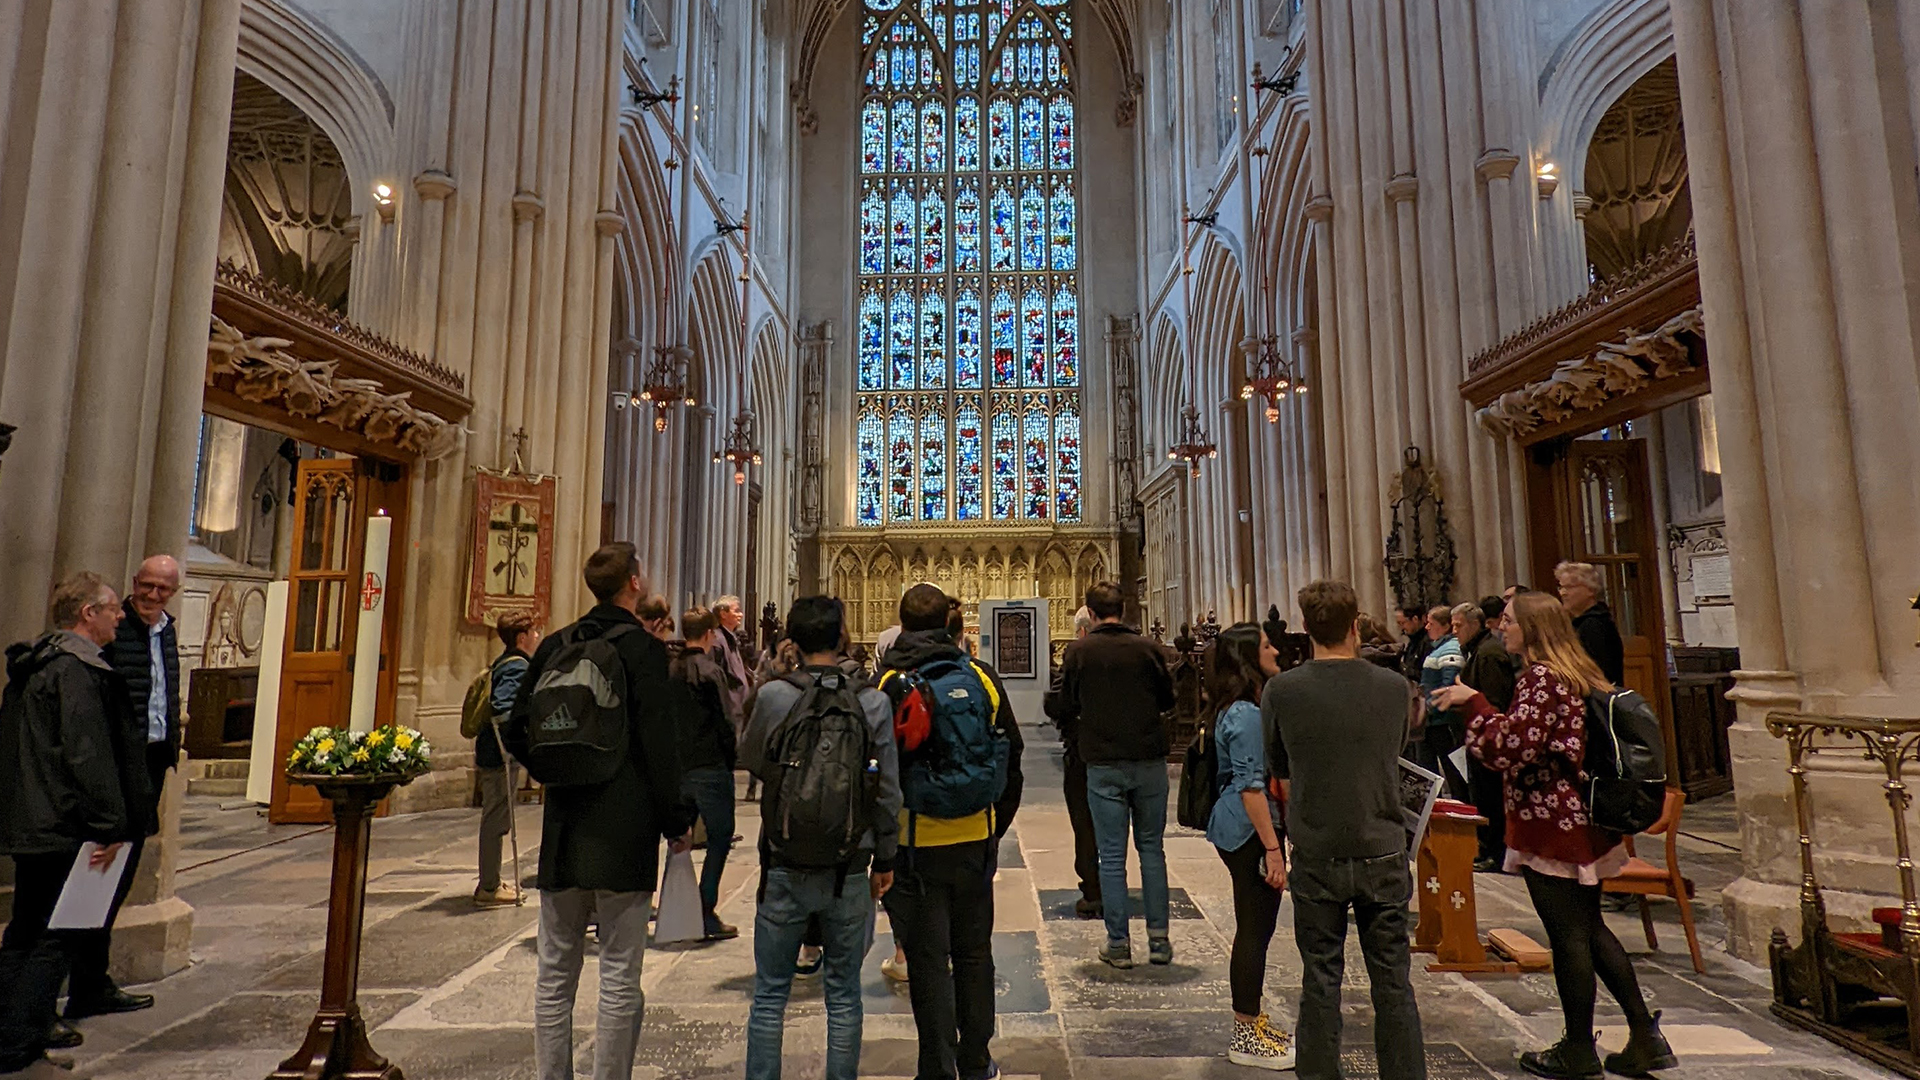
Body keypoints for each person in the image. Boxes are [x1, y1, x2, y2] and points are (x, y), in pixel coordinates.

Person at [1435, 592, 1676, 1080]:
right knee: (1589, 928)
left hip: (1554, 821)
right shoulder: (1572, 672)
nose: (1502, 628)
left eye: (1508, 621)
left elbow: (1511, 747)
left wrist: (1473, 702)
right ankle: (1644, 1035)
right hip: (1576, 816)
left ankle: (1577, 1048)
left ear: (1533, 628)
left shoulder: (1544, 678)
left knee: (1568, 936)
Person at [502, 543, 696, 1080]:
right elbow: (661, 746)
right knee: (617, 970)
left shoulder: (557, 643)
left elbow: (517, 726)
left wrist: (553, 772)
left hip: (565, 827)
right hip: (625, 827)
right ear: (633, 582)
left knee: (555, 971)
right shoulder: (644, 650)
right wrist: (676, 820)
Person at [1265, 580, 1426, 1080]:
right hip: (1382, 845)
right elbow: (1398, 746)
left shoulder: (1283, 689)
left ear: (1305, 630)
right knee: (1394, 983)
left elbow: (1277, 764)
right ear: (1355, 626)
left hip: (1316, 846)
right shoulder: (1394, 687)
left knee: (1320, 979)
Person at [740, 596, 901, 1080]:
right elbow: (888, 790)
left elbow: (750, 759)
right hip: (849, 865)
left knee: (770, 996)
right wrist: (887, 858)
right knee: (845, 996)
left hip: (784, 860)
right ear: (842, 637)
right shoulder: (871, 701)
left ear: (792, 640)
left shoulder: (772, 696)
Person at [0, 573, 145, 1077]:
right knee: (54, 938)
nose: (120, 616)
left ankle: (10, 1038)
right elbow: (87, 755)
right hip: (66, 825)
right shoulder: (76, 672)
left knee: (23, 933)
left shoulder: (34, 665)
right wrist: (110, 824)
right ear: (88, 613)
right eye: (111, 609)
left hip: (33, 821)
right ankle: (20, 1051)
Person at [878, 584, 1024, 1080]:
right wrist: (992, 827)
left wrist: (881, 850)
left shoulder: (890, 682)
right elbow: (1013, 758)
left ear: (901, 625)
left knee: (928, 962)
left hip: (914, 845)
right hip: (973, 842)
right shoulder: (981, 676)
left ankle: (936, 1068)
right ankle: (977, 1061)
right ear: (949, 623)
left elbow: (875, 772)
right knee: (974, 954)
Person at [73, 555, 184, 1022]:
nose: (153, 597)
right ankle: (82, 984)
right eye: (147, 587)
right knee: (93, 878)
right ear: (134, 583)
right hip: (119, 764)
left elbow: (162, 692)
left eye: (164, 590)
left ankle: (93, 981)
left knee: (119, 876)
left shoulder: (166, 630)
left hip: (152, 762)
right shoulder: (118, 631)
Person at [1048, 581, 1176, 967]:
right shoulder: (1149, 649)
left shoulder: (1080, 651)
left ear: (1089, 612)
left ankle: (1118, 944)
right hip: (1149, 760)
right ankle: (1159, 942)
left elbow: (1064, 704)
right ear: (1124, 609)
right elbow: (1169, 700)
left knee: (1112, 855)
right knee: (1152, 850)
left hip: (1102, 762)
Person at [1204, 624, 1295, 1071]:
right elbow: (1251, 788)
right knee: (1254, 930)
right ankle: (1245, 1033)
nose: (1275, 649)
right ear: (1246, 657)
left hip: (1245, 828)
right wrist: (1272, 850)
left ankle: (1253, 1021)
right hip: (1246, 831)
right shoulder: (1243, 713)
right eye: (1265, 645)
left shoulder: (1243, 706)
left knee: (1255, 927)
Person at [672, 607, 741, 941]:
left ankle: (675, 907)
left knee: (678, 838)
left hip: (679, 767)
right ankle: (704, 908)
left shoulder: (670, 669)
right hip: (710, 766)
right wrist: (731, 759)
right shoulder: (710, 671)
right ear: (709, 634)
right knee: (719, 837)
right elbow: (726, 722)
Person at [474, 611, 538, 906]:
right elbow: (503, 707)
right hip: (499, 755)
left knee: (497, 817)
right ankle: (488, 887)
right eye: (534, 633)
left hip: (494, 752)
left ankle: (492, 879)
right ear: (522, 638)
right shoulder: (516, 667)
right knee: (496, 819)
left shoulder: (506, 661)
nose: (537, 637)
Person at [1043, 605, 1103, 919]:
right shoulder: (1142, 650)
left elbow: (1057, 701)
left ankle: (1093, 891)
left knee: (1085, 821)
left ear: (1081, 630)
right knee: (1120, 827)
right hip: (1125, 755)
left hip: (1083, 751)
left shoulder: (1077, 655)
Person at [1457, 597, 1516, 872]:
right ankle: (1487, 848)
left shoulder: (1489, 653)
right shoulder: (1478, 650)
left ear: (1473, 625)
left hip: (1490, 735)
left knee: (1492, 797)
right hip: (1478, 733)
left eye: (1458, 626)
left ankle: (1496, 851)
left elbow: (1495, 699)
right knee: (1481, 794)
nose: (1454, 631)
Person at [1417, 604, 1467, 795]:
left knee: (1453, 775)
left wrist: (1427, 708)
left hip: (1442, 722)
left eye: (1431, 623)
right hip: (1433, 721)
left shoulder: (1450, 649)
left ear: (1445, 626)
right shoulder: (1439, 648)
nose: (1427, 627)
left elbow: (1448, 686)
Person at [1554, 562, 1624, 686]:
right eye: (1561, 587)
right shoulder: (1580, 623)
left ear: (1591, 589)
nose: (1563, 593)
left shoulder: (1595, 625)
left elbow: (1601, 673)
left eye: (1569, 587)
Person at [1395, 604, 1433, 685]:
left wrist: (1403, 668)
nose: (1401, 628)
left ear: (1415, 619)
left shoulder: (1428, 641)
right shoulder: (1412, 641)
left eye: (1402, 623)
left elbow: (1426, 674)